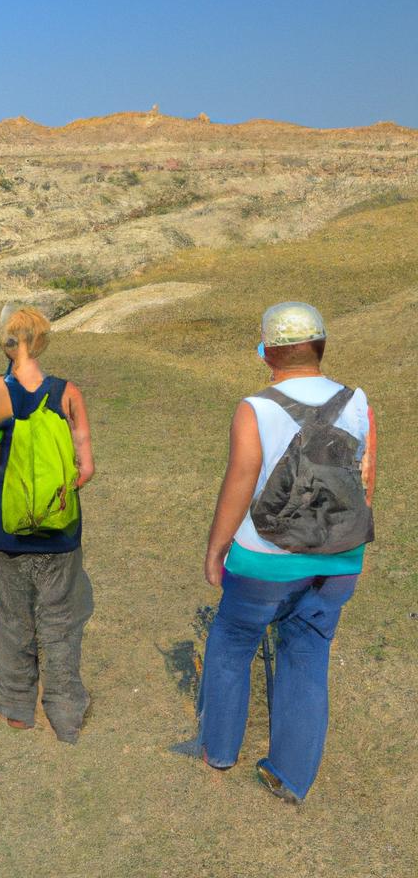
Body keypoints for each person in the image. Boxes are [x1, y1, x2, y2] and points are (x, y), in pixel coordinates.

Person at [198, 302, 377, 803]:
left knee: (233, 643)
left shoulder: (256, 407)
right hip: (340, 558)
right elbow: (366, 483)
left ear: (268, 352)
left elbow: (240, 482)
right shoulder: (358, 400)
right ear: (320, 346)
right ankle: (290, 777)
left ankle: (219, 750)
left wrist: (217, 549)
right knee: (308, 654)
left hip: (264, 559)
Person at [0, 307, 95, 743]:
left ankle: (19, 707)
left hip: (5, 526)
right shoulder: (68, 391)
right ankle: (65, 712)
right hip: (59, 530)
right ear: (43, 341)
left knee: (10, 617)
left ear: (5, 343)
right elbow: (86, 468)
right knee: (61, 619)